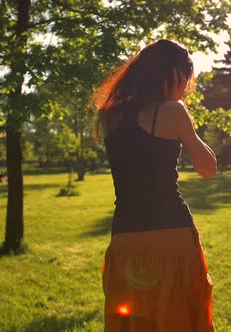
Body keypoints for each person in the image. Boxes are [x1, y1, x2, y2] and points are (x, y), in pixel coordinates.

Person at [93, 39, 217, 331]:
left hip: (126, 239)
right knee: (180, 320)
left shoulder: (110, 115)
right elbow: (209, 168)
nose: (185, 87)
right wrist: (181, 114)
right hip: (171, 238)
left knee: (133, 323)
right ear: (172, 74)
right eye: (185, 80)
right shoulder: (172, 111)